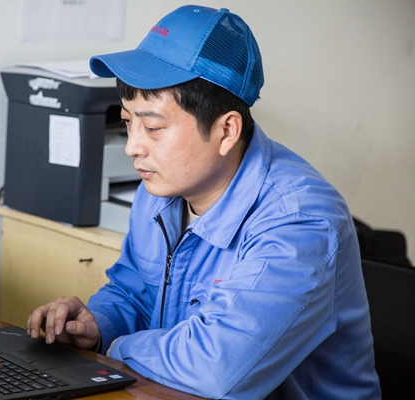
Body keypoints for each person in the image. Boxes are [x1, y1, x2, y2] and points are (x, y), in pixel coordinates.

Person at [27, 5, 381, 399]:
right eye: (128, 122)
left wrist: (117, 348)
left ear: (226, 130)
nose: (132, 147)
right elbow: (134, 292)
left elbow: (217, 369)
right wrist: (98, 327)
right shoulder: (160, 189)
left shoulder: (300, 222)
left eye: (153, 127)